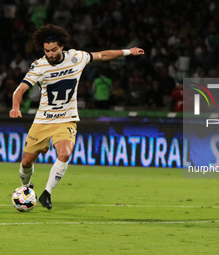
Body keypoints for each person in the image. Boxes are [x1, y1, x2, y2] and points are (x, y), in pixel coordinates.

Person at [9, 24, 144, 210]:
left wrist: (128, 52)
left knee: (64, 153)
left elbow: (103, 55)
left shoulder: (77, 57)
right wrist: (15, 107)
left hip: (66, 118)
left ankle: (46, 193)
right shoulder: (39, 66)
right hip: (43, 120)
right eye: (47, 50)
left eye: (54, 50)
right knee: (26, 162)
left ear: (62, 46)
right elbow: (20, 89)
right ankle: (26, 188)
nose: (50, 54)